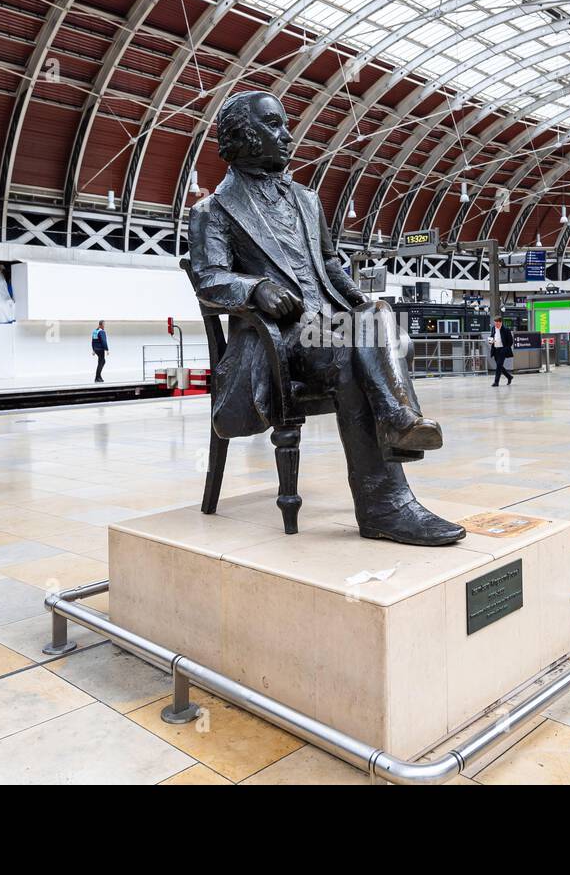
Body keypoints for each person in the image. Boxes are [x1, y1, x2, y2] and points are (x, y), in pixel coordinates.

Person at [188, 90, 463, 546]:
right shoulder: (212, 210)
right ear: (242, 135)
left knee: (373, 317)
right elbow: (209, 279)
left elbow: (331, 263)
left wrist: (359, 301)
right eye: (274, 124)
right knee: (355, 354)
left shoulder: (308, 200)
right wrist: (256, 287)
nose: (287, 134)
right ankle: (388, 496)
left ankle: (394, 454)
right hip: (280, 343)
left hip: (331, 327)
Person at [489, 317, 514, 386]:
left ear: (500, 322)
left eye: (497, 323)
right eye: (495, 323)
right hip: (495, 349)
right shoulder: (493, 328)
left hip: (502, 350)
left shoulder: (506, 330)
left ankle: (496, 382)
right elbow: (492, 336)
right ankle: (509, 377)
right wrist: (490, 341)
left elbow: (510, 341)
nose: (496, 325)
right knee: (499, 366)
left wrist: (504, 349)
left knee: (498, 366)